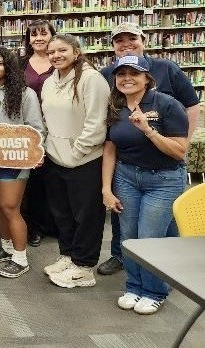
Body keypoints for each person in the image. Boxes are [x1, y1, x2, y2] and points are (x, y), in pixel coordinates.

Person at [96, 22, 201, 276]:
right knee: (129, 226)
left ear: (143, 40)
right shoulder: (107, 76)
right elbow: (109, 134)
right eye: (119, 40)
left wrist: (177, 144)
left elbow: (192, 106)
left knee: (154, 227)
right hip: (128, 164)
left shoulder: (167, 69)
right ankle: (124, 261)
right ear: (112, 47)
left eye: (131, 38)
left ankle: (161, 277)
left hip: (163, 163)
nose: (126, 44)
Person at [101, 55, 189, 314]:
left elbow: (179, 151)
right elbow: (110, 149)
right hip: (127, 177)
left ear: (147, 78)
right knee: (128, 237)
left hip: (163, 180)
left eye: (134, 73)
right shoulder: (115, 107)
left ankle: (154, 291)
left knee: (149, 237)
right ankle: (134, 285)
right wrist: (106, 188)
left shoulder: (167, 105)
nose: (127, 78)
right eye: (121, 74)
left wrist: (149, 131)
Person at [40, 34, 110, 288]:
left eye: (62, 50)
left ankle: (84, 267)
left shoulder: (91, 80)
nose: (56, 56)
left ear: (77, 52)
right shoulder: (49, 82)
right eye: (51, 52)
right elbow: (48, 119)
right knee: (63, 214)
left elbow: (96, 122)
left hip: (85, 160)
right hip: (55, 158)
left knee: (87, 215)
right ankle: (68, 255)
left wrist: (77, 151)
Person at [0, 47, 45, 278]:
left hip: (15, 160)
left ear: (9, 67)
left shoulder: (25, 94)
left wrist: (36, 153)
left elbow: (36, 128)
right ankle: (6, 247)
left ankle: (21, 258)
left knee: (9, 206)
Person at [19, 20, 58, 247]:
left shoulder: (60, 61)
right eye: (34, 35)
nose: (39, 39)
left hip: (56, 127)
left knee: (53, 179)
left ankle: (52, 224)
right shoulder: (21, 63)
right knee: (31, 180)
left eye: (44, 34)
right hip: (29, 128)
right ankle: (33, 227)